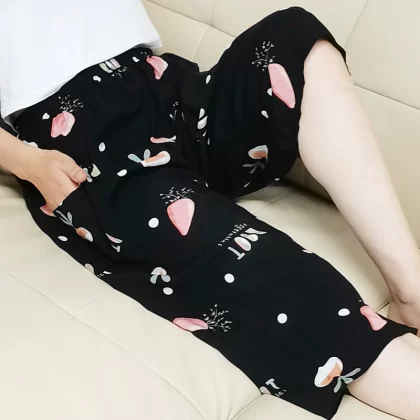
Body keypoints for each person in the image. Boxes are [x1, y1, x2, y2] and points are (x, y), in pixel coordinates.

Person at [1, 2, 420, 419]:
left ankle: (411, 288)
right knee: (269, 271)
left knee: (296, 35)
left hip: (166, 88)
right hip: (82, 145)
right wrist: (29, 163)